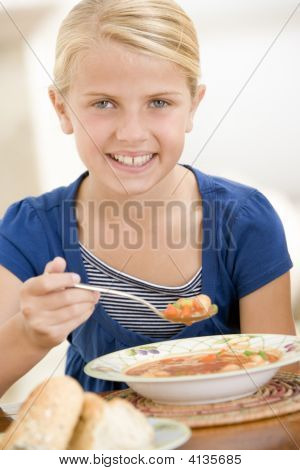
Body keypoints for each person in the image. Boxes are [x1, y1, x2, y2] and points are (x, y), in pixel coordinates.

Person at [0, 0, 297, 396]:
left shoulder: (245, 221)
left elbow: (282, 383)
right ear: (62, 109)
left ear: (192, 106)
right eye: (103, 103)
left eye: (159, 103)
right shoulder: (31, 230)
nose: (132, 133)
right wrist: (30, 334)